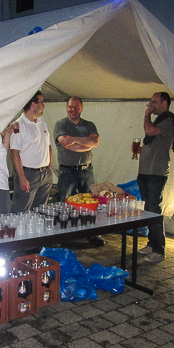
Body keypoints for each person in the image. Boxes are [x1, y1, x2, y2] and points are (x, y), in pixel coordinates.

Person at [54, 96, 104, 246]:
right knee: (63, 203)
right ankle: (60, 235)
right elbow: (66, 144)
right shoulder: (61, 124)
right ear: (66, 108)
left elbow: (95, 142)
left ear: (81, 108)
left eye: (76, 107)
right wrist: (86, 143)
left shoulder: (89, 125)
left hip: (86, 170)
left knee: (90, 203)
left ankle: (92, 234)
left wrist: (74, 139)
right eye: (70, 106)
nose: (73, 109)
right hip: (67, 171)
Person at [137, 92, 174, 264]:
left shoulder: (169, 119)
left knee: (153, 210)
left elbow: (149, 130)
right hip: (146, 171)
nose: (151, 105)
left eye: (154, 102)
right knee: (148, 209)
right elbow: (154, 141)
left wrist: (146, 114)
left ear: (164, 103)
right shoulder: (159, 121)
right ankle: (152, 244)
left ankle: (159, 249)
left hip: (156, 173)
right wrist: (142, 150)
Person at [10, 91, 53, 213]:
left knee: (41, 211)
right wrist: (22, 177)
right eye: (41, 103)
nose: (43, 106)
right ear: (33, 104)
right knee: (21, 211)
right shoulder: (18, 125)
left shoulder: (42, 122)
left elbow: (49, 146)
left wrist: (49, 167)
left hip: (45, 173)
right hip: (28, 174)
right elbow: (15, 154)